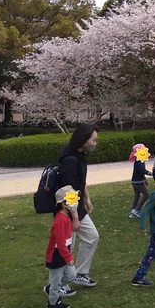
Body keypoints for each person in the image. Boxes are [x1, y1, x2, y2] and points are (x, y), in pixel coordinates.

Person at [58, 123, 100, 288]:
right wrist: (74, 217)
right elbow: (67, 191)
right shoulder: (69, 160)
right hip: (66, 210)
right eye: (94, 140)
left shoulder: (80, 156)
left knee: (92, 237)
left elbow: (81, 181)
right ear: (83, 140)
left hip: (78, 206)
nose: (95, 144)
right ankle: (58, 284)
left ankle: (81, 273)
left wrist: (87, 198)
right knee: (66, 246)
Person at [44, 185, 78, 308]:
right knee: (57, 281)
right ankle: (53, 303)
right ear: (64, 204)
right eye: (72, 200)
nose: (75, 203)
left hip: (64, 255)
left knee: (71, 275)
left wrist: (68, 255)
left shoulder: (66, 218)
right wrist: (68, 257)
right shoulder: (59, 220)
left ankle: (52, 288)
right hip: (57, 257)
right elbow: (60, 243)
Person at [129, 143, 152, 219]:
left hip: (136, 181)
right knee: (146, 195)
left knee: (137, 196)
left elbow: (139, 172)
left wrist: (145, 180)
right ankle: (137, 209)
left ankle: (133, 211)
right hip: (138, 182)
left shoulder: (139, 160)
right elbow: (142, 170)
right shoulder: (139, 161)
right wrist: (149, 173)